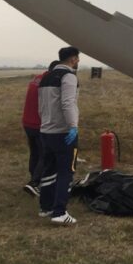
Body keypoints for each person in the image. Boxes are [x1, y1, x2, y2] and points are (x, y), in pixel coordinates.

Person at [37, 46, 81, 225]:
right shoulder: (68, 76)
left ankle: (45, 207)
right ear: (73, 59)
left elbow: (41, 106)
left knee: (49, 170)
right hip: (63, 133)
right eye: (77, 59)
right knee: (66, 172)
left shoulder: (46, 77)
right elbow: (68, 103)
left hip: (46, 131)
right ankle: (59, 212)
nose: (78, 62)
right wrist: (73, 126)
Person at [21, 60, 60, 197]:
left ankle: (34, 179)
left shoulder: (37, 78)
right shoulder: (49, 82)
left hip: (27, 122)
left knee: (35, 153)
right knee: (45, 154)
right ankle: (34, 183)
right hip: (39, 124)